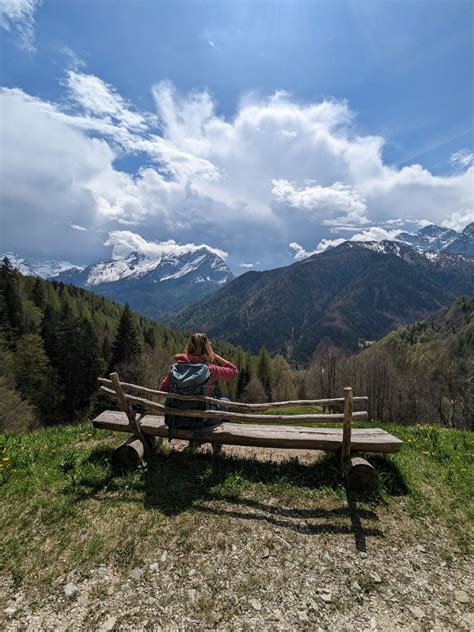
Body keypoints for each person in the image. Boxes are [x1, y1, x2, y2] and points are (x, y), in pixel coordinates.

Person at [159, 333, 239, 445]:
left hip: (177, 419)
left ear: (189, 347)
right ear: (207, 348)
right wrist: (215, 356)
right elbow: (234, 371)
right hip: (202, 421)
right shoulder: (210, 369)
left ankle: (197, 441)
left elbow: (163, 389)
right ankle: (216, 443)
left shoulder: (175, 368)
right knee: (226, 401)